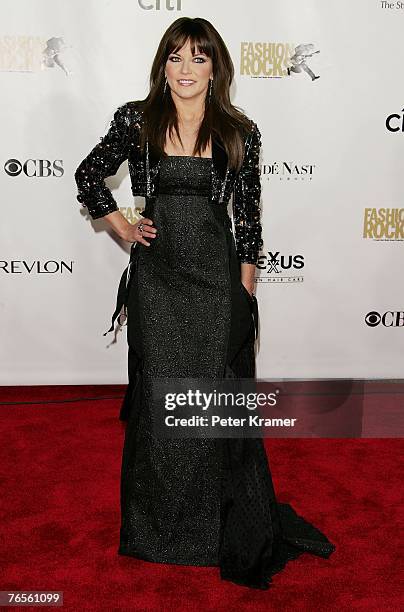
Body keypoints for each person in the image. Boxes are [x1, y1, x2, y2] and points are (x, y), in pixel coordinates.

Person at [74, 16, 336, 590]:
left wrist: (245, 292)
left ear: (216, 67)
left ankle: (218, 530)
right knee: (160, 399)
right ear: (162, 65)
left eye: (199, 58)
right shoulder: (136, 120)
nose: (187, 69)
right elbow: (89, 174)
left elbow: (249, 220)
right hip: (158, 282)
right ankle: (159, 532)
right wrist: (121, 226)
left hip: (218, 283)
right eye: (176, 57)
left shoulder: (239, 129)